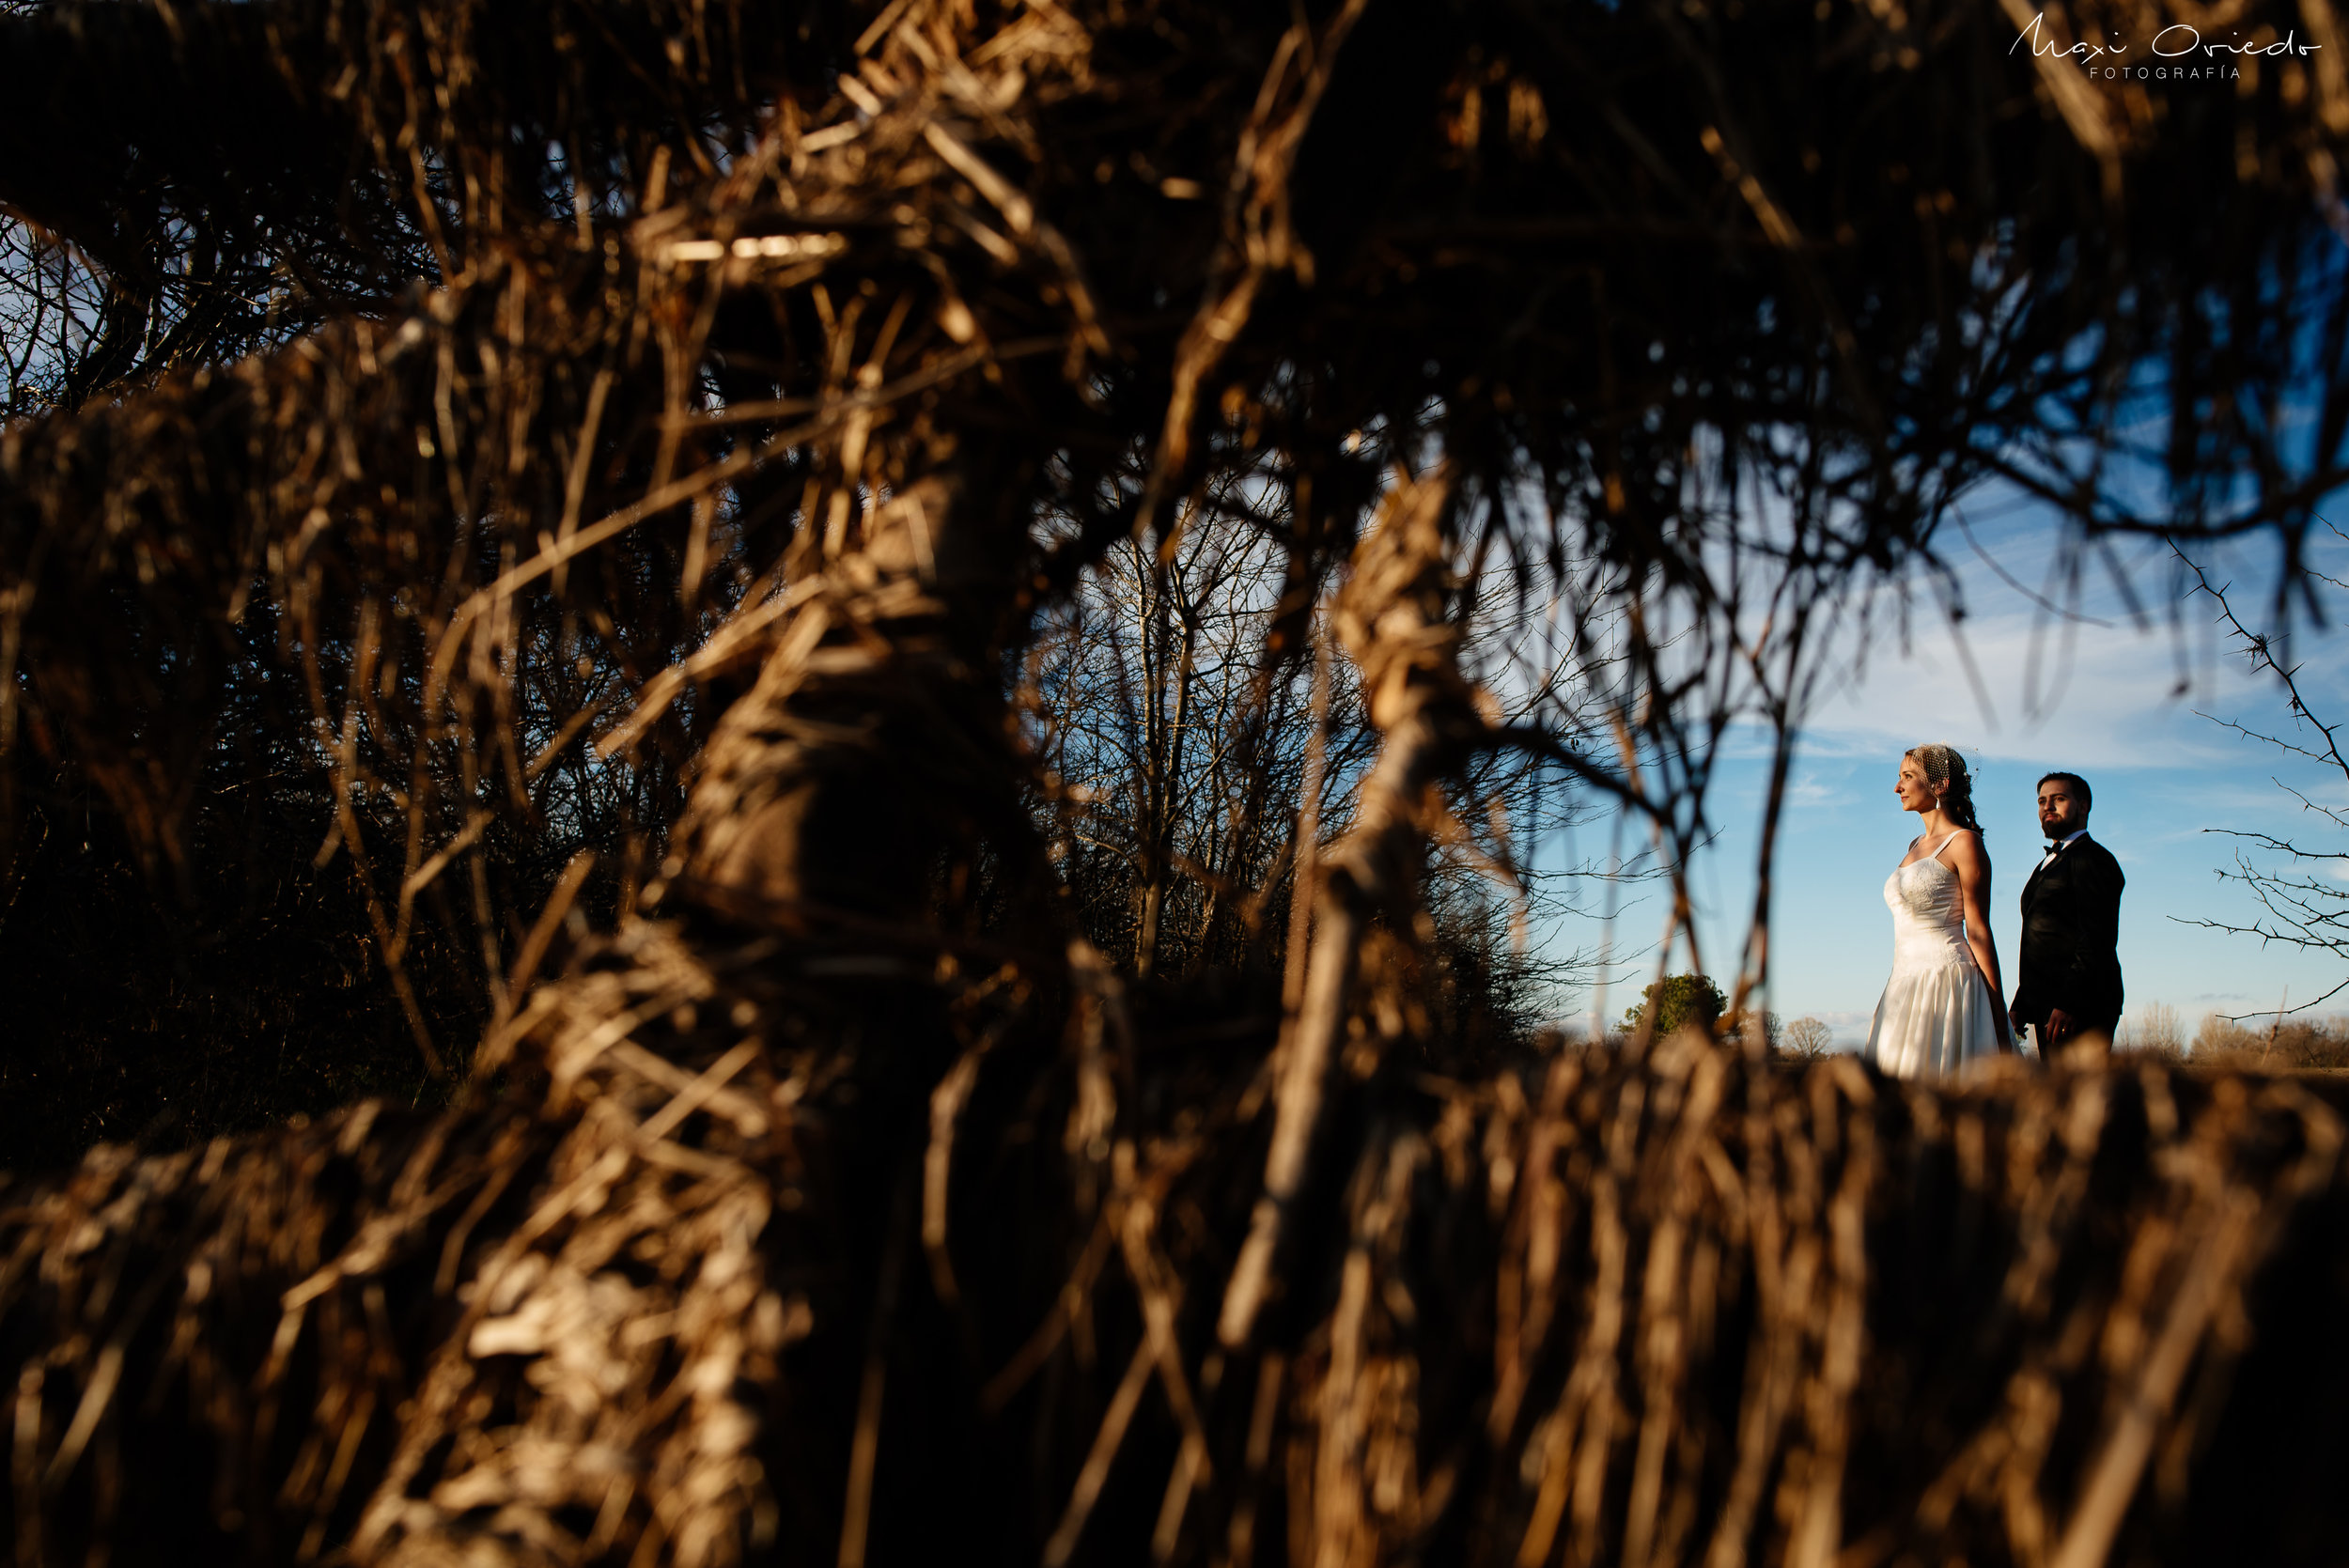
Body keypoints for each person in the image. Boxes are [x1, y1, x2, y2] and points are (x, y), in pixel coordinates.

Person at [1863, 744, 2013, 1077]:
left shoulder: (1965, 843)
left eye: (1907, 777)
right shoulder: (1913, 846)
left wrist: (1998, 1017)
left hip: (1948, 983)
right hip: (1903, 983)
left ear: (1940, 785)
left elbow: (1978, 930)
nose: (1897, 787)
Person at [2009, 770, 2123, 1059]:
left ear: (2083, 806)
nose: (2047, 806)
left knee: (2083, 1097)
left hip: (2082, 1006)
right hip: (2047, 1004)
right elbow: (2041, 939)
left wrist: (2072, 1003)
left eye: (2058, 799)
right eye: (2042, 801)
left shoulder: (2094, 860)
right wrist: (2021, 1003)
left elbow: (2097, 938)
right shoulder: (2047, 864)